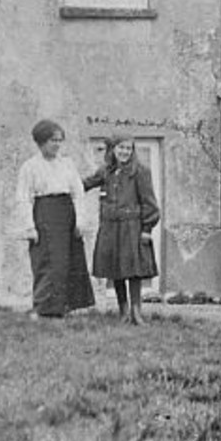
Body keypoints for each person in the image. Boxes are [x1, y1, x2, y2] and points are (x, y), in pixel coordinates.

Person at [15, 119, 95, 318]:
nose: (57, 144)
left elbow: (78, 193)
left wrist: (80, 221)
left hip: (67, 214)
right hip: (44, 214)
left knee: (69, 261)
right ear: (41, 142)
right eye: (53, 140)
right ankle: (44, 308)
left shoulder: (67, 164)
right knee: (47, 262)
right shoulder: (30, 167)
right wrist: (29, 227)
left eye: (60, 140)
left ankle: (65, 306)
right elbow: (23, 198)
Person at [82, 135, 160, 324]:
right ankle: (123, 311)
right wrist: (64, 182)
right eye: (121, 148)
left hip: (133, 227)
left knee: (134, 270)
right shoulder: (106, 171)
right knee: (115, 269)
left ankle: (136, 312)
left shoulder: (140, 172)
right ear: (113, 150)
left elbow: (150, 203)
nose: (125, 152)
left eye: (128, 148)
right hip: (110, 227)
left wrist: (147, 228)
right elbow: (85, 184)